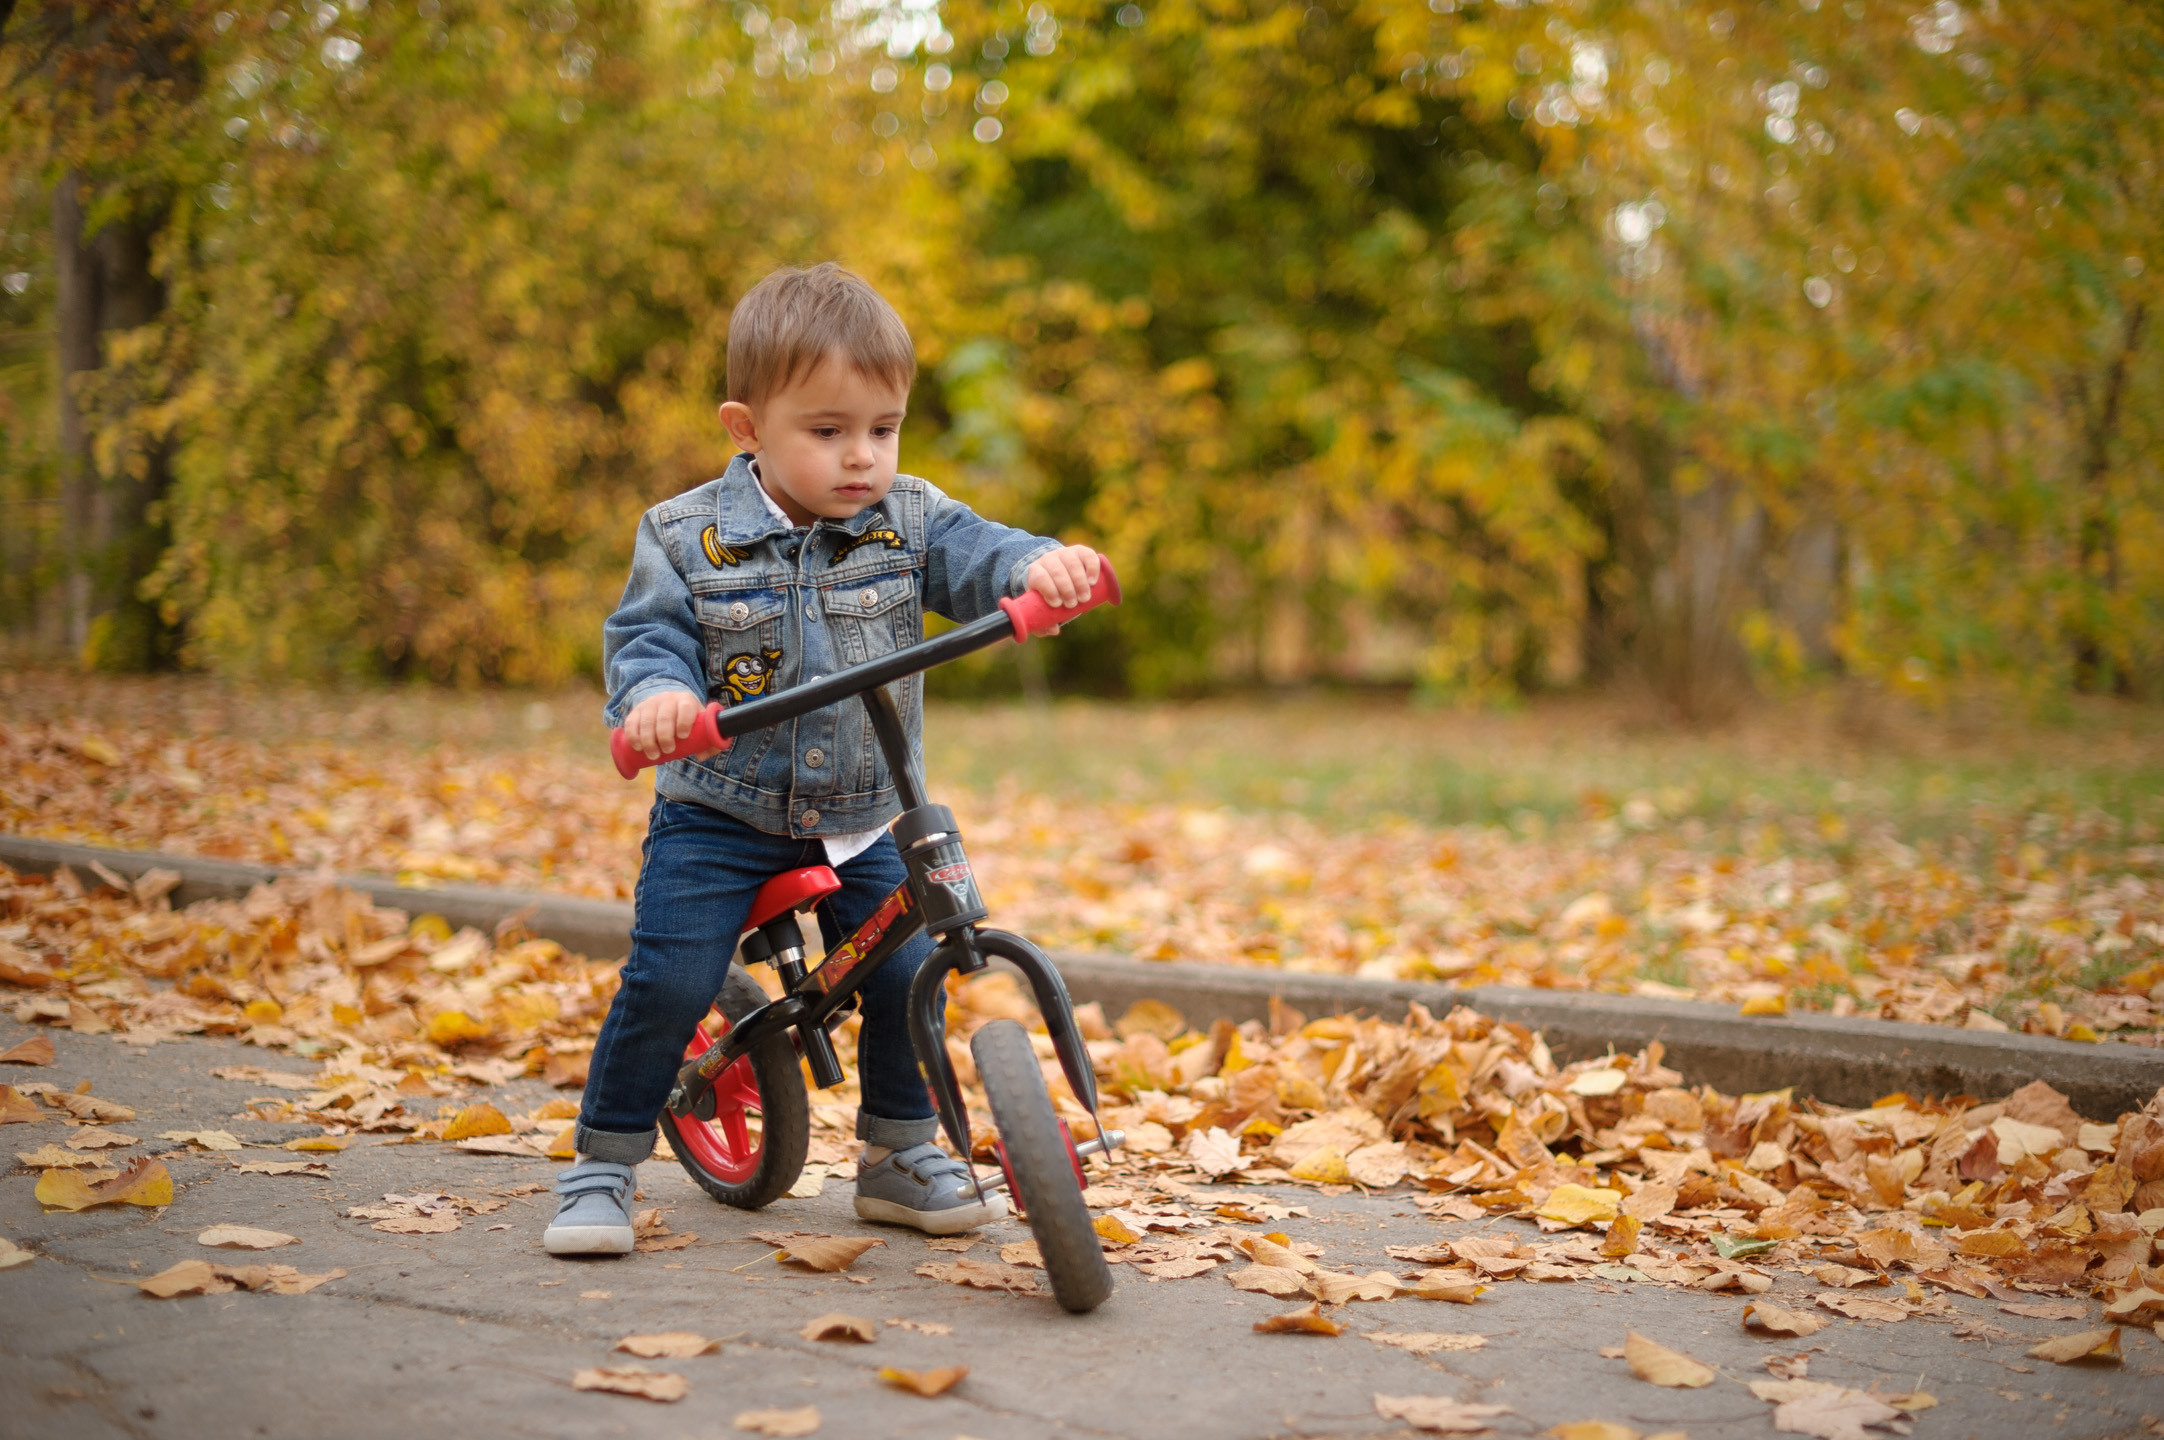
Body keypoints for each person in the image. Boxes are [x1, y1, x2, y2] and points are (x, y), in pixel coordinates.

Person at [545, 262, 1102, 1255]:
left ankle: (897, 1150)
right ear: (746, 427)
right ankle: (605, 1160)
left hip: (861, 809)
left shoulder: (909, 519)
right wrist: (661, 702)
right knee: (672, 977)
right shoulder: (685, 537)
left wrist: (1037, 568)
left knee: (907, 964)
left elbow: (984, 553)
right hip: (717, 810)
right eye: (828, 430)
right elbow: (647, 642)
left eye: (882, 430)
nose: (862, 458)